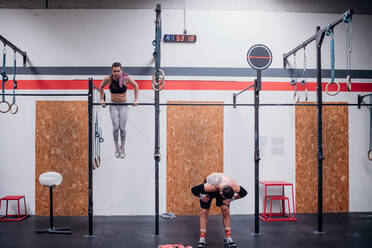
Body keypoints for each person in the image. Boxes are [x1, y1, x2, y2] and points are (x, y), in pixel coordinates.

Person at [191, 172, 247, 248]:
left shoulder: (233, 185)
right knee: (204, 211)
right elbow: (194, 190)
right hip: (211, 186)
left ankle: (228, 237)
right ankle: (202, 238)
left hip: (223, 186)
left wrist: (231, 199)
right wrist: (201, 197)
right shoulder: (209, 186)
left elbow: (244, 193)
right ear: (221, 193)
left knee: (225, 210)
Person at [99, 62, 139, 159]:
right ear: (112, 71)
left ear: (121, 71)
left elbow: (136, 86)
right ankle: (116, 147)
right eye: (114, 71)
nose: (116, 73)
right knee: (116, 127)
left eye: (118, 71)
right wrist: (102, 99)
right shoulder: (108, 79)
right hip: (113, 105)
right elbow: (101, 87)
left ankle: (123, 147)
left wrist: (135, 100)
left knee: (123, 128)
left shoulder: (126, 78)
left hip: (123, 105)